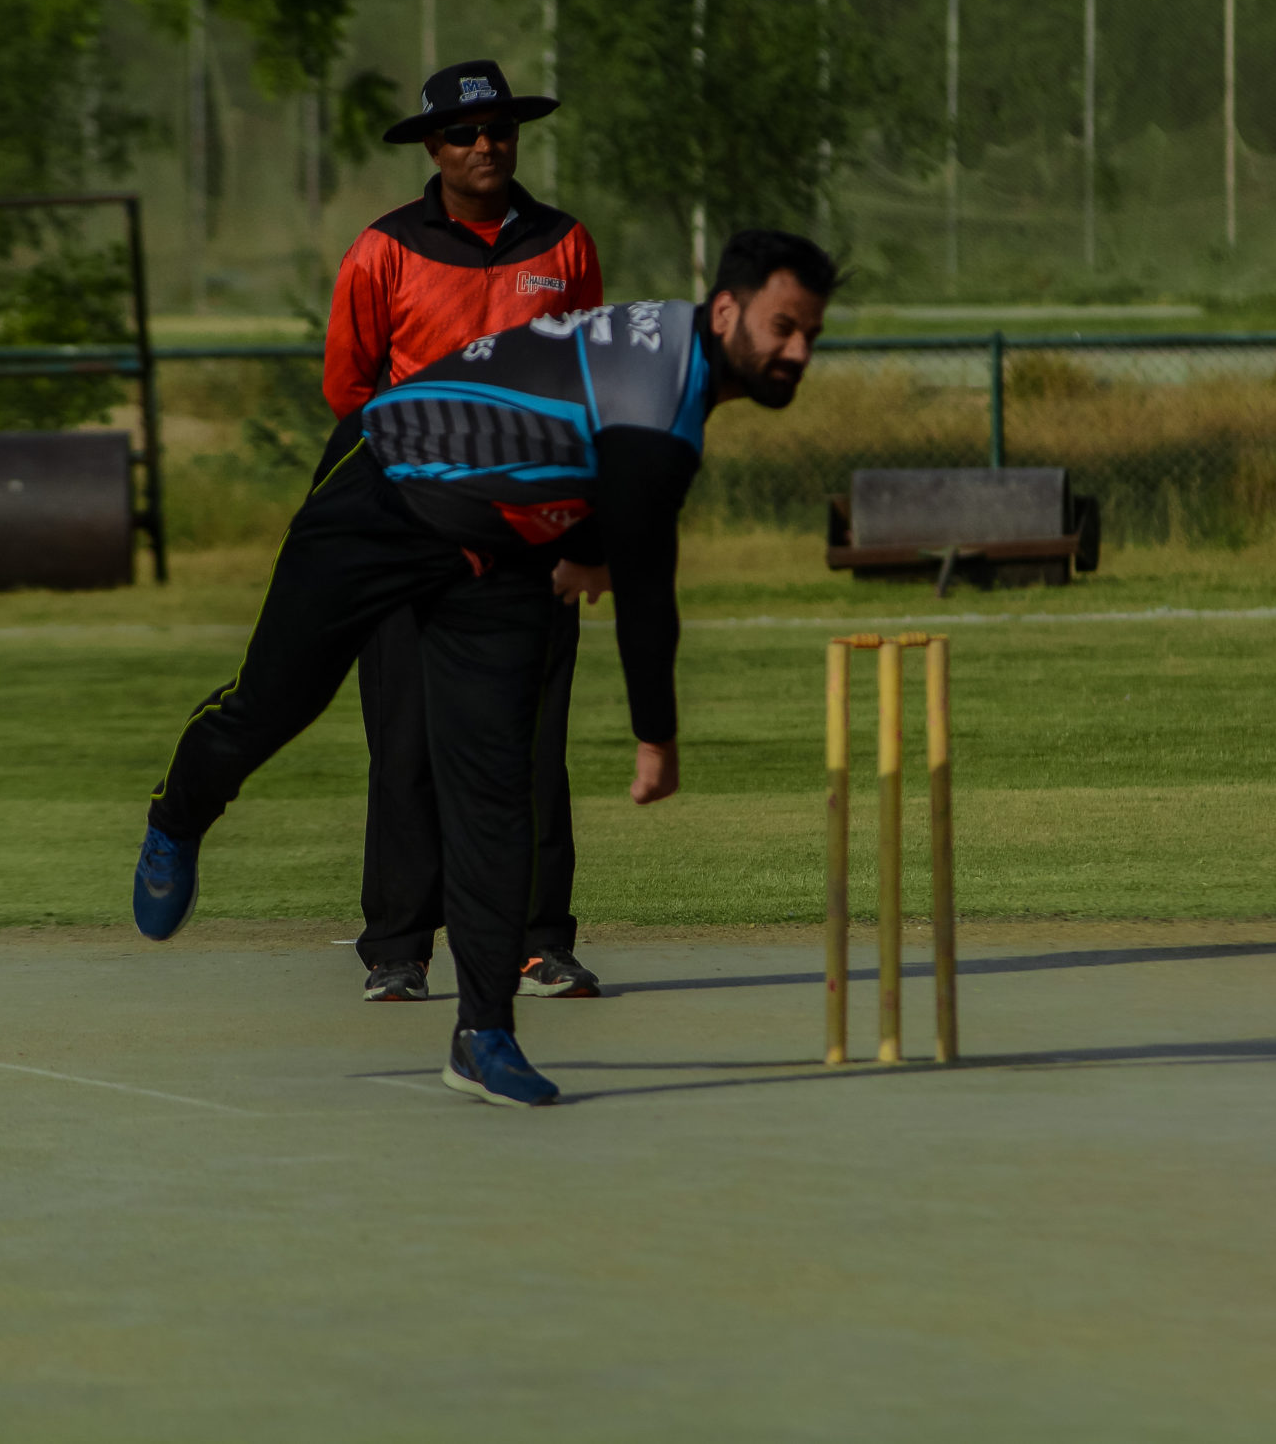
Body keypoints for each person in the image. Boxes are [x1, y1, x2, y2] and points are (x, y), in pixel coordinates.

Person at [132, 230, 844, 1107]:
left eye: (811, 334)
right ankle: (177, 815)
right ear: (727, 310)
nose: (798, 352)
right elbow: (645, 573)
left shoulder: (675, 357)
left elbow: (582, 443)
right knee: (274, 705)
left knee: (496, 792)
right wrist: (656, 736)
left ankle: (483, 1033)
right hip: (388, 481)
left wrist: (586, 548)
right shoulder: (663, 393)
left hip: (497, 555)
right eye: (784, 328)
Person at [321, 60, 607, 1005]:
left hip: (530, 530)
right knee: (405, 742)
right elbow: (349, 387)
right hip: (412, 527)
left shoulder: (563, 242)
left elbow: (585, 379)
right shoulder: (385, 250)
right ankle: (398, 947)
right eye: (463, 133)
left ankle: (539, 941)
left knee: (530, 745)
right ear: (433, 148)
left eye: (499, 129)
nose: (485, 145)